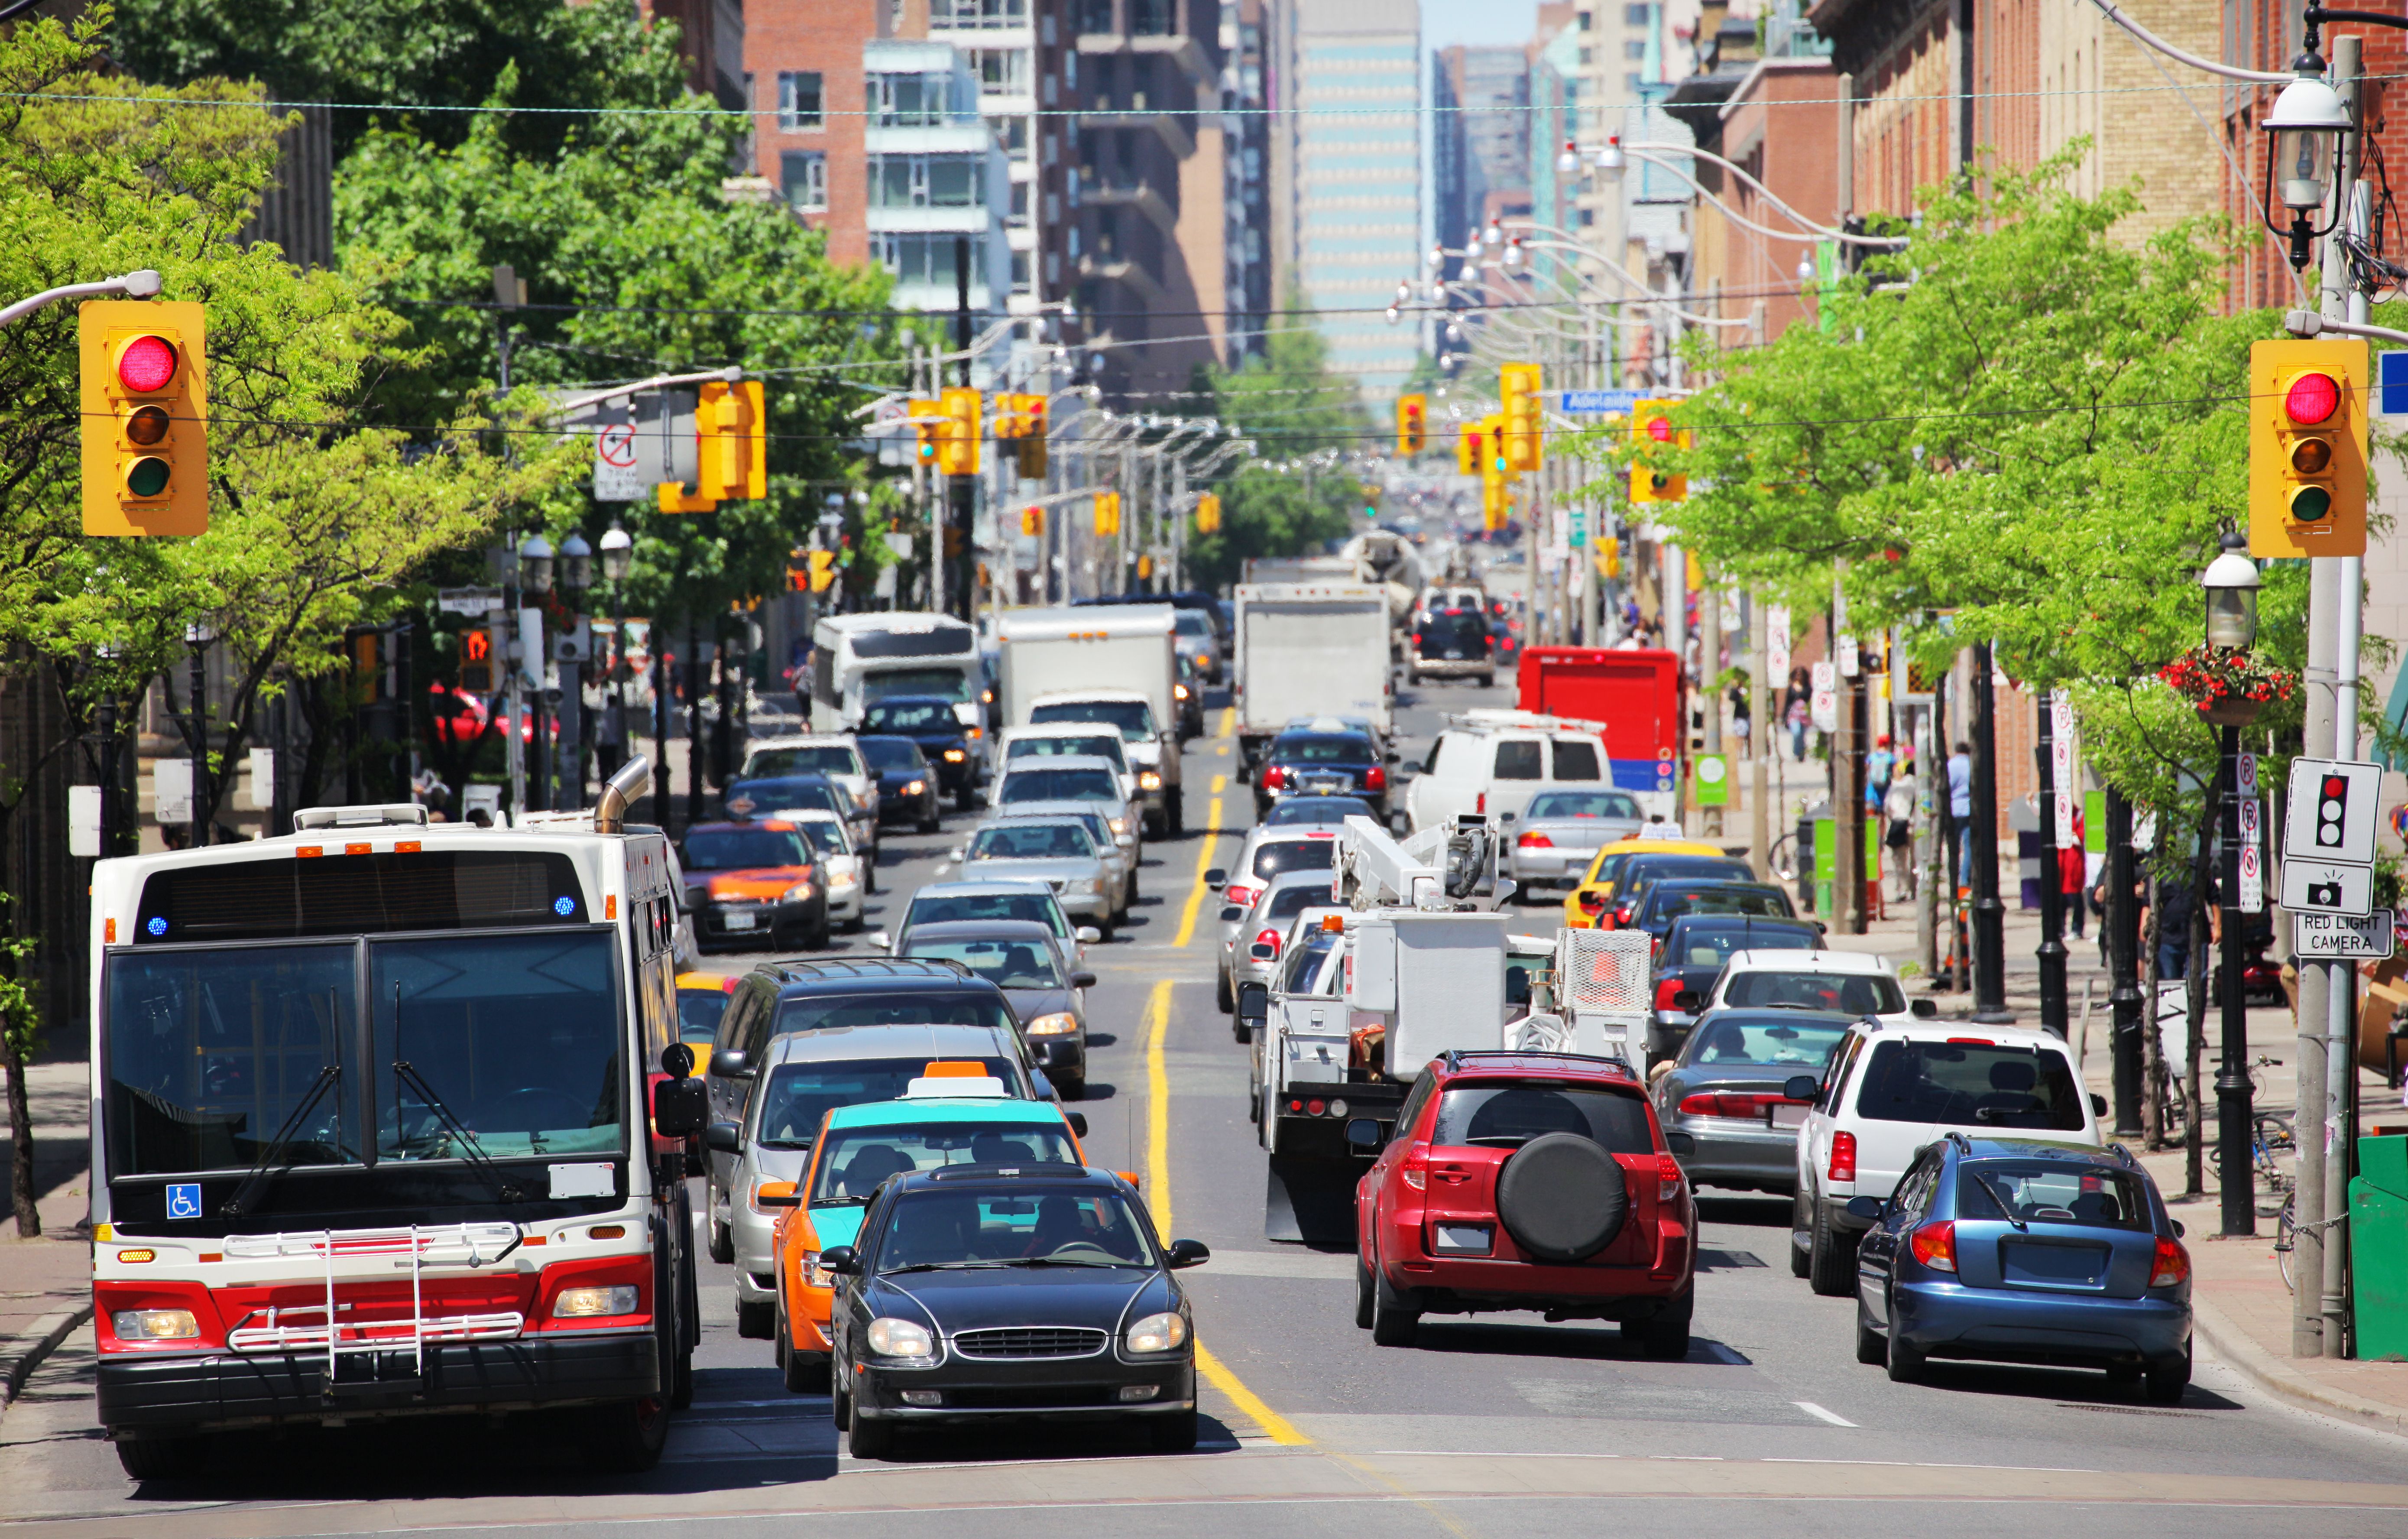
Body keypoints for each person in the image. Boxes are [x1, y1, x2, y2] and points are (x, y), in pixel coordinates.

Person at [1947, 740, 1974, 886]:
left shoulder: (1951, 765)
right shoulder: (1972, 765)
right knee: (1969, 846)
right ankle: (1965, 879)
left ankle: (1953, 878)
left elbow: (1947, 787)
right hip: (1969, 808)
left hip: (1954, 809)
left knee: (1954, 846)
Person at [2060, 805, 2087, 938]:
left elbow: (2082, 838)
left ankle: (2077, 929)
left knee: (2076, 896)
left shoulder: (2079, 815)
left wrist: (2069, 835)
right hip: (2061, 862)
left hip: (2074, 862)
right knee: (2060, 899)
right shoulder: (2057, 814)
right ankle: (2060, 929)